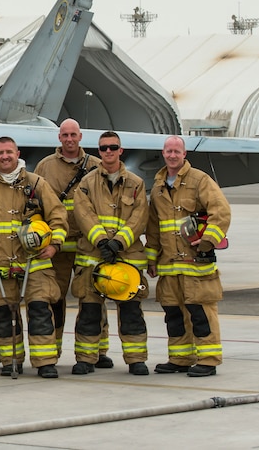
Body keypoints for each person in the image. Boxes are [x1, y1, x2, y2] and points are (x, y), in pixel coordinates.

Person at [0, 136, 67, 378]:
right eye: (0, 153)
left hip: (35, 262)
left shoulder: (38, 183)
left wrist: (54, 245)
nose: (5, 156)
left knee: (40, 310)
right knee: (3, 314)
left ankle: (45, 362)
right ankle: (9, 361)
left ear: (18, 153)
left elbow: (58, 216)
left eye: (9, 152)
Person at [147, 135, 231, 377]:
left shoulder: (200, 180)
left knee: (201, 313)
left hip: (196, 264)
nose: (172, 155)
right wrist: (151, 258)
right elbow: (154, 226)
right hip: (169, 266)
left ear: (184, 155)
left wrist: (208, 242)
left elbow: (221, 211)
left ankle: (208, 359)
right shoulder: (159, 185)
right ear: (163, 153)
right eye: (168, 151)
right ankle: (180, 358)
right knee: (174, 315)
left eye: (177, 151)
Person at [71, 132, 151, 375]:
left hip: (126, 258)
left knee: (131, 312)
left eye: (112, 147)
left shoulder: (136, 184)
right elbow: (83, 214)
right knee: (90, 311)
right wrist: (102, 241)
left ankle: (136, 359)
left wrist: (118, 243)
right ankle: (86, 358)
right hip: (94, 256)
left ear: (120, 150)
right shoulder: (86, 183)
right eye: (103, 148)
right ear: (99, 151)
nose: (108, 152)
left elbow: (140, 217)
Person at [34, 119, 110, 367]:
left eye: (73, 135)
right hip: (57, 249)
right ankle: (51, 351)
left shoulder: (97, 167)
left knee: (94, 298)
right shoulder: (45, 167)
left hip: (89, 247)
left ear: (80, 137)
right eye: (64, 135)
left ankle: (99, 350)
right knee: (54, 299)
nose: (69, 139)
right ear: (59, 138)